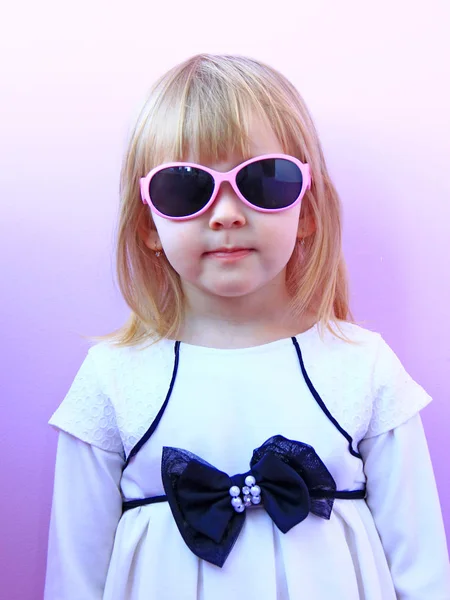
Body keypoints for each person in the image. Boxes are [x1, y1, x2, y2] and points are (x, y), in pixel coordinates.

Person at [44, 53, 450, 599]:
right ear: (147, 223)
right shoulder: (112, 380)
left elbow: (425, 574)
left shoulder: (362, 365)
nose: (227, 213)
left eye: (264, 180)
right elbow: (74, 579)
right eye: (186, 189)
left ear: (306, 209)